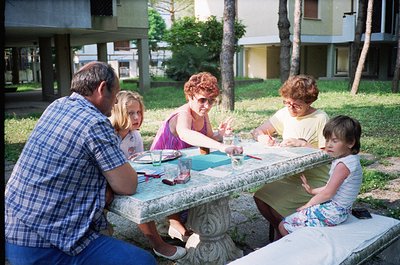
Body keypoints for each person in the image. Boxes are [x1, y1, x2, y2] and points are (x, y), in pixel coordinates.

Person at [5, 61, 157, 265]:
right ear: (102, 88)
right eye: (115, 95)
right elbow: (127, 185)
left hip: (13, 226)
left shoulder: (57, 105)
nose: (114, 104)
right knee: (143, 261)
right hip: (44, 243)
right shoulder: (95, 121)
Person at [150, 72, 243, 241]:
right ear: (190, 96)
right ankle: (173, 222)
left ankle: (192, 219)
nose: (207, 106)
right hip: (161, 166)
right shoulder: (183, 114)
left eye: (211, 101)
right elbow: (185, 134)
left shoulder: (203, 114)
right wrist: (222, 147)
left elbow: (207, 139)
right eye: (202, 100)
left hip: (183, 163)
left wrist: (220, 135)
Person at [251, 75, 330, 240]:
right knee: (260, 197)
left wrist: (303, 144)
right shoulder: (284, 113)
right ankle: (283, 233)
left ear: (309, 102)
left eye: (297, 105)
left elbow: (329, 154)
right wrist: (262, 137)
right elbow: (257, 131)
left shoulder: (320, 118)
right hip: (289, 175)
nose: (291, 109)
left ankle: (291, 236)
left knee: (277, 206)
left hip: (314, 180)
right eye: (287, 103)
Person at [109, 90, 186, 260]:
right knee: (139, 197)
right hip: (107, 181)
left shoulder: (134, 136)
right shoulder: (108, 134)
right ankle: (158, 244)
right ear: (118, 112)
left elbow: (138, 163)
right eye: (131, 113)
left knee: (161, 180)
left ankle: (172, 222)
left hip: (127, 178)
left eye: (139, 112)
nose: (136, 117)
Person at [278, 115, 362, 236]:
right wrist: (312, 191)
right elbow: (333, 187)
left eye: (334, 141)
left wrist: (309, 205)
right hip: (342, 211)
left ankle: (298, 250)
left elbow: (328, 193)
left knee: (284, 225)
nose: (328, 145)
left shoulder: (342, 165)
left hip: (333, 213)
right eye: (327, 140)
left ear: (350, 142)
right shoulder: (351, 160)